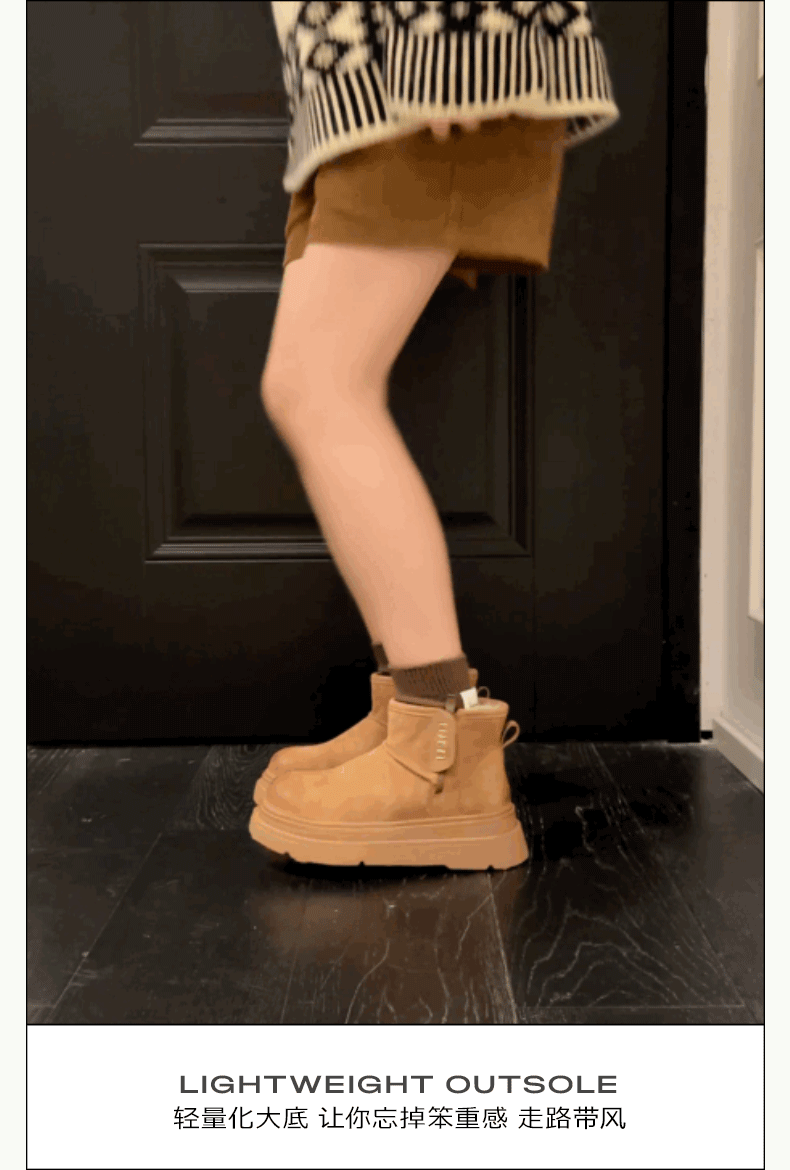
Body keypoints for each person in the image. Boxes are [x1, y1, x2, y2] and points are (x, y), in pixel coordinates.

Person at [249, 0, 620, 870]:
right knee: (311, 386)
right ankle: (411, 723)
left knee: (323, 388)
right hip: (361, 80)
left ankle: (438, 755)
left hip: (424, 59)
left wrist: (449, 50)